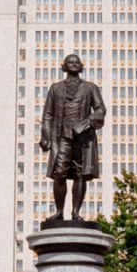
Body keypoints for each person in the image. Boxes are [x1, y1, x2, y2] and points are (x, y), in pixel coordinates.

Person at [39, 52, 104, 221]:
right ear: (65, 66)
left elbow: (100, 109)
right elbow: (48, 114)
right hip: (61, 137)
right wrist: (45, 134)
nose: (74, 64)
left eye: (76, 62)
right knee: (59, 172)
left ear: (81, 66)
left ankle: (75, 212)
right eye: (70, 62)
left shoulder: (90, 87)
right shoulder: (55, 88)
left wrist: (87, 122)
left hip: (83, 138)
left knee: (80, 174)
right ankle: (59, 211)